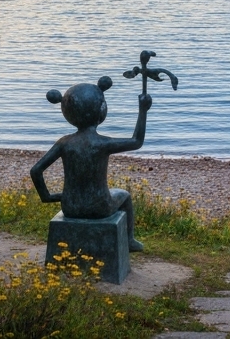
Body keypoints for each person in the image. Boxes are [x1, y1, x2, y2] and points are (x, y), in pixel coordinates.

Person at [31, 76, 152, 252]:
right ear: (101, 109)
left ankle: (129, 240)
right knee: (124, 195)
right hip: (100, 206)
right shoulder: (102, 143)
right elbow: (136, 142)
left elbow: (36, 170)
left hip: (70, 207)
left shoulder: (64, 143)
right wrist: (143, 110)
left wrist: (48, 197)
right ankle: (130, 240)